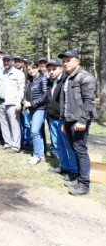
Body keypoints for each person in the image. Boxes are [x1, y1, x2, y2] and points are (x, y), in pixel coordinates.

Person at [59, 50, 96, 196]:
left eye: (69, 60)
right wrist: (64, 121)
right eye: (64, 60)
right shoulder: (67, 78)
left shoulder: (85, 77)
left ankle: (84, 184)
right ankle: (78, 179)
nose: (65, 62)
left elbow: (89, 102)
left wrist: (82, 120)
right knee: (75, 150)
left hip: (79, 121)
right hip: (69, 120)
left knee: (81, 151)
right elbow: (66, 102)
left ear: (77, 61)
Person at [45, 59, 78, 180]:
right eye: (49, 70)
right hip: (52, 118)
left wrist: (65, 119)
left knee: (68, 145)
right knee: (58, 145)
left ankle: (73, 170)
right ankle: (63, 166)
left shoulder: (66, 81)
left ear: (60, 68)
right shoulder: (50, 82)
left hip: (62, 119)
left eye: (54, 69)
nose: (51, 72)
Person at [0, 53, 25, 153]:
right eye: (4, 60)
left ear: (12, 61)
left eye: (8, 60)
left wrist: (19, 102)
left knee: (14, 124)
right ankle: (8, 143)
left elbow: (21, 89)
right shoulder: (1, 73)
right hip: (1, 103)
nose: (6, 62)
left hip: (12, 103)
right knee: (4, 124)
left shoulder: (18, 74)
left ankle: (15, 146)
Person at [23, 62, 48, 164]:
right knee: (37, 132)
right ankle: (41, 154)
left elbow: (45, 95)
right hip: (30, 109)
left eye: (33, 68)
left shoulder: (43, 79)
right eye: (29, 69)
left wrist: (31, 103)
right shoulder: (29, 80)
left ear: (37, 68)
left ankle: (36, 155)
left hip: (40, 108)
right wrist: (24, 101)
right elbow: (26, 93)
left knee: (34, 131)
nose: (31, 71)